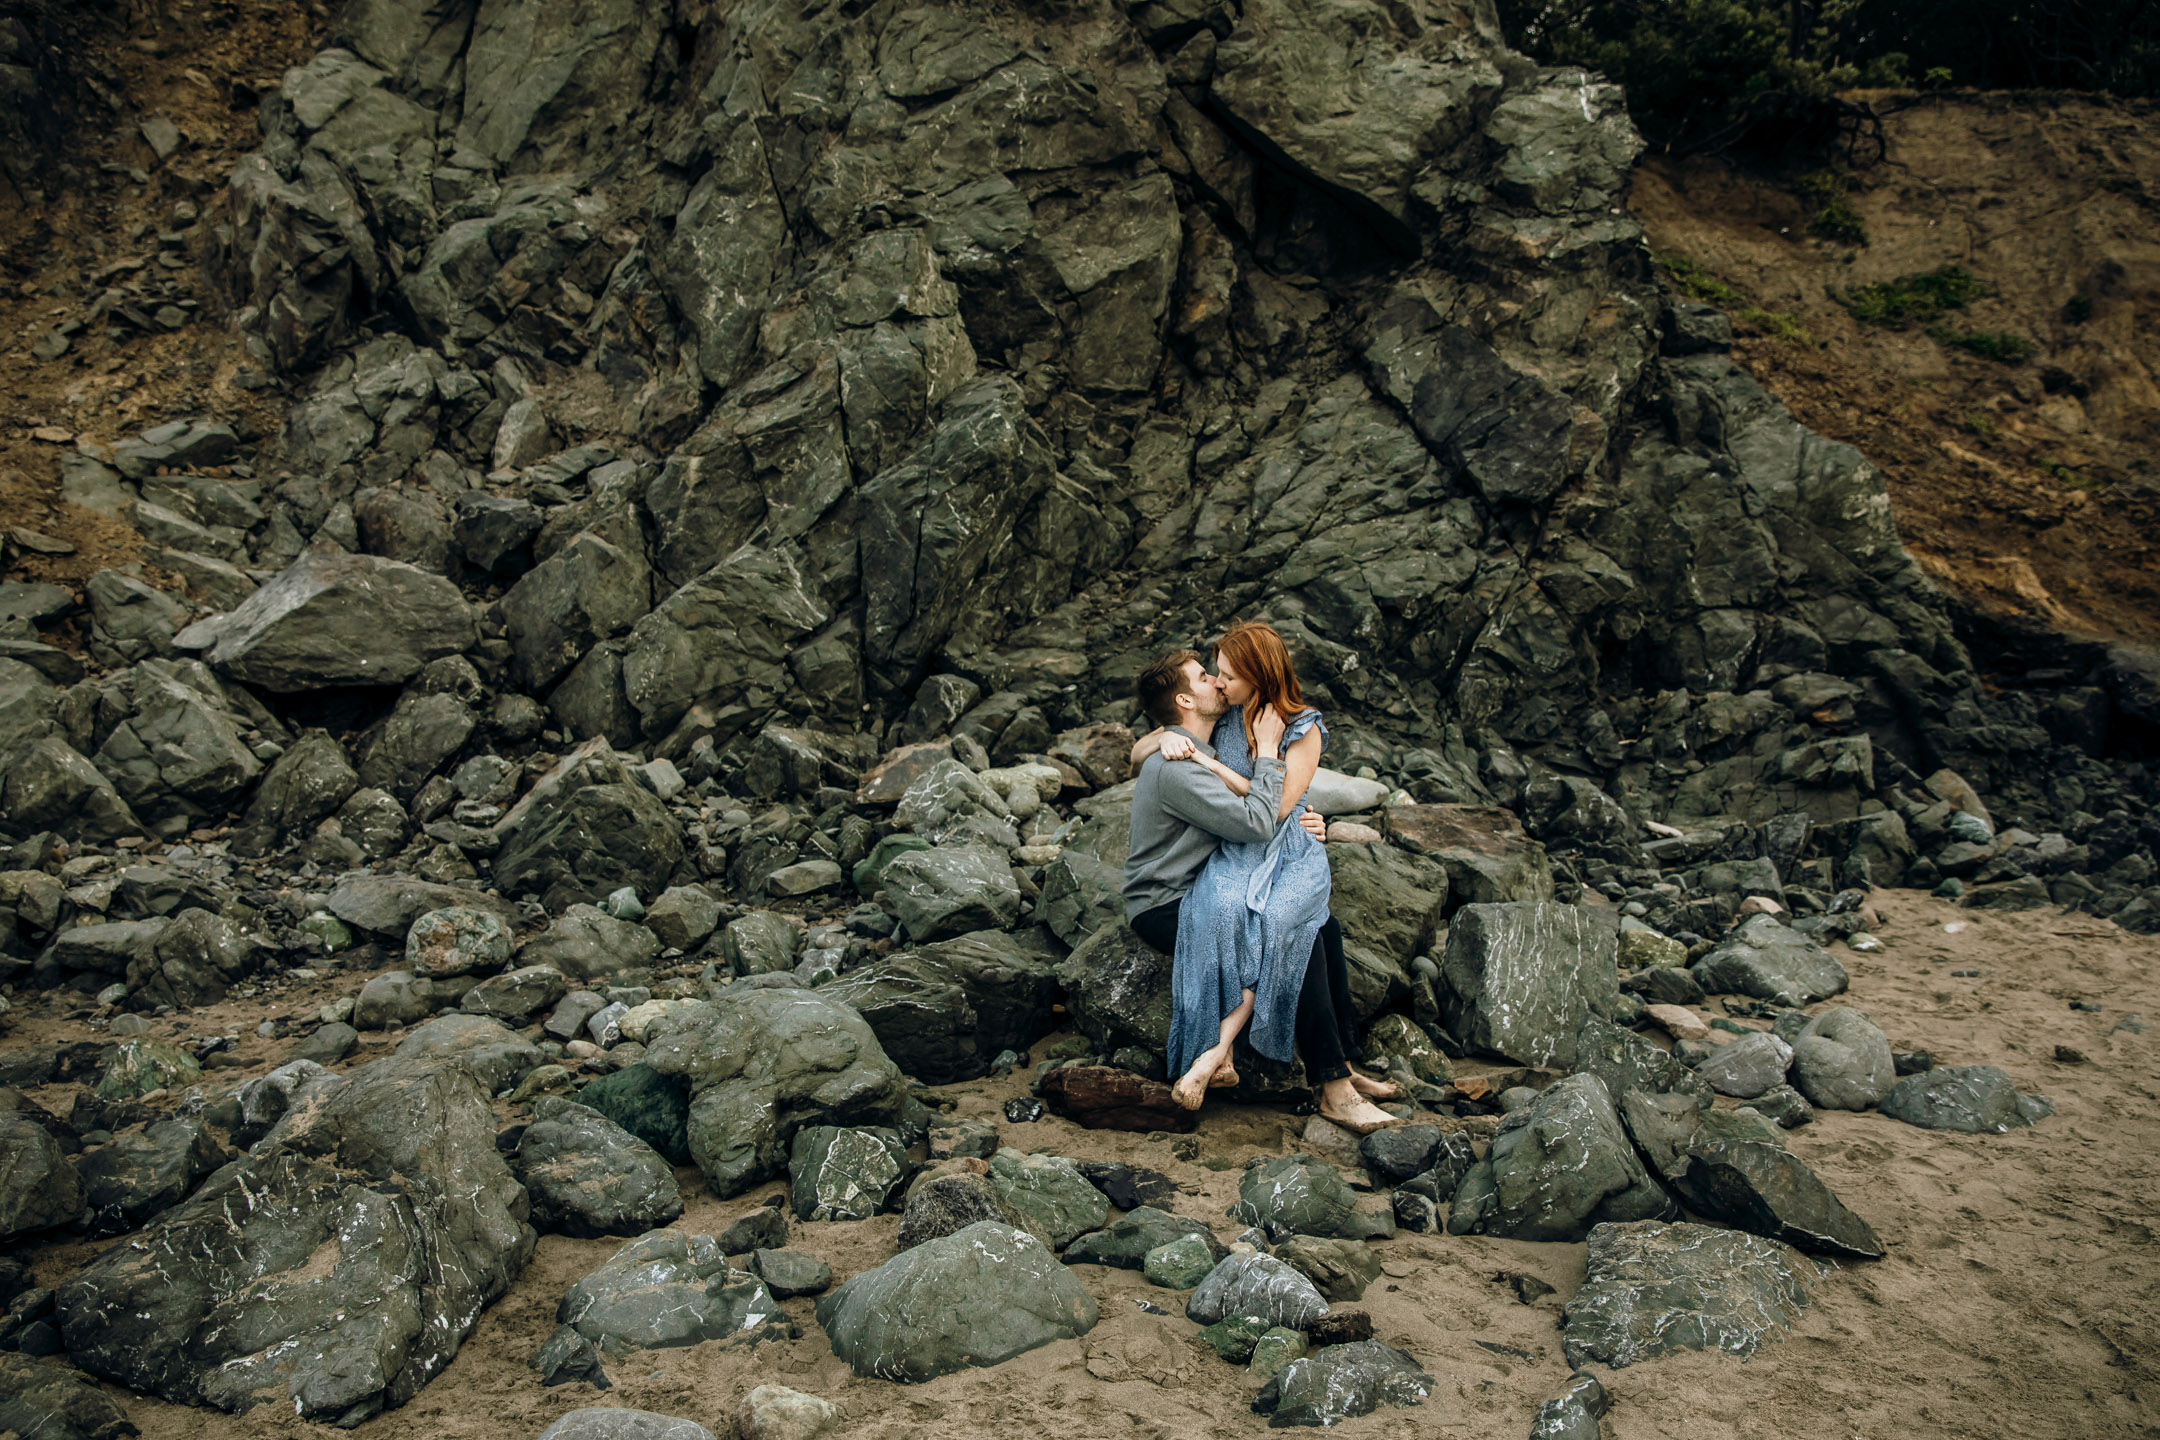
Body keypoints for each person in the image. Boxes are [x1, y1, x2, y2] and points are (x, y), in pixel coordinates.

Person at [1122, 627, 1400, 1133]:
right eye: (1211, 676)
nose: (1220, 683)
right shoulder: (1186, 755)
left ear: (1251, 677)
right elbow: (1254, 818)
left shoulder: (1256, 720)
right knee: (1293, 931)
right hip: (1173, 897)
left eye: (1225, 674)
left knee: (1321, 926)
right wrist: (1166, 736)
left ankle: (1344, 1065)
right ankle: (1332, 1083)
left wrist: (1309, 819)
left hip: (1228, 870)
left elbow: (1276, 809)